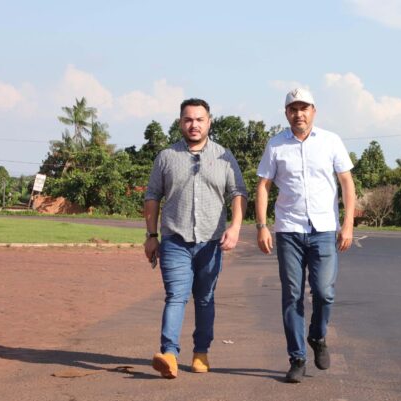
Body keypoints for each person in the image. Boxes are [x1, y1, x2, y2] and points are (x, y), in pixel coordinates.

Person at [255, 88, 355, 383]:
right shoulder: (276, 145)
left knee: (324, 292)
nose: (299, 114)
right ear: (286, 113)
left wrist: (348, 224)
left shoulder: (331, 141)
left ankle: (317, 336)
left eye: (304, 108)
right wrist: (262, 226)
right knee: (292, 295)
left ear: (314, 111)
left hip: (323, 229)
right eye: (293, 109)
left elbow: (346, 183)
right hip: (289, 230)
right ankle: (297, 358)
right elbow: (263, 186)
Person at [144, 98, 247, 379]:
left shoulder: (224, 156)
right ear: (180, 122)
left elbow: (238, 193)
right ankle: (169, 354)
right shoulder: (166, 157)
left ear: (209, 122)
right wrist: (151, 235)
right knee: (175, 296)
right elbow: (152, 196)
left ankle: (201, 352)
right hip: (175, 240)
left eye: (200, 119)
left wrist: (235, 227)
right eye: (188, 119)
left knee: (204, 299)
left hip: (211, 243)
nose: (194, 125)